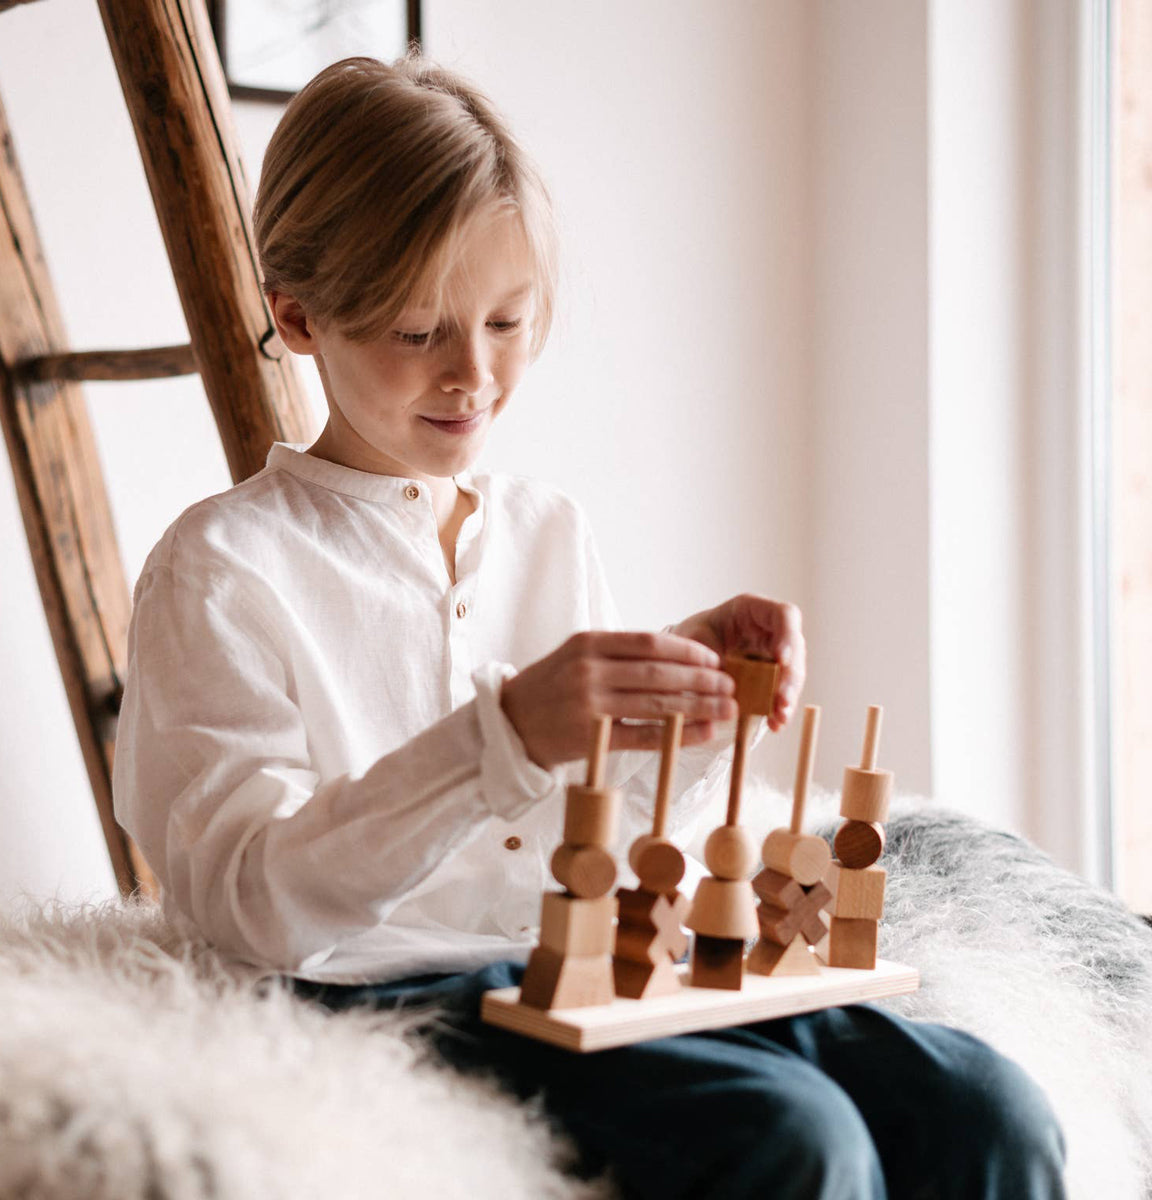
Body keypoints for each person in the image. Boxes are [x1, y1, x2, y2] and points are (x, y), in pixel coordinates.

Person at [113, 54, 1066, 1200]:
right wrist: (498, 735)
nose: (476, 374)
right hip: (381, 989)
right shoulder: (220, 569)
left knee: (991, 1106)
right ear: (299, 316)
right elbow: (246, 899)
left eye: (509, 321)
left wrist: (695, 698)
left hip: (597, 964)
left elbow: (600, 816)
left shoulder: (546, 528)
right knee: (795, 1139)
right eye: (421, 333)